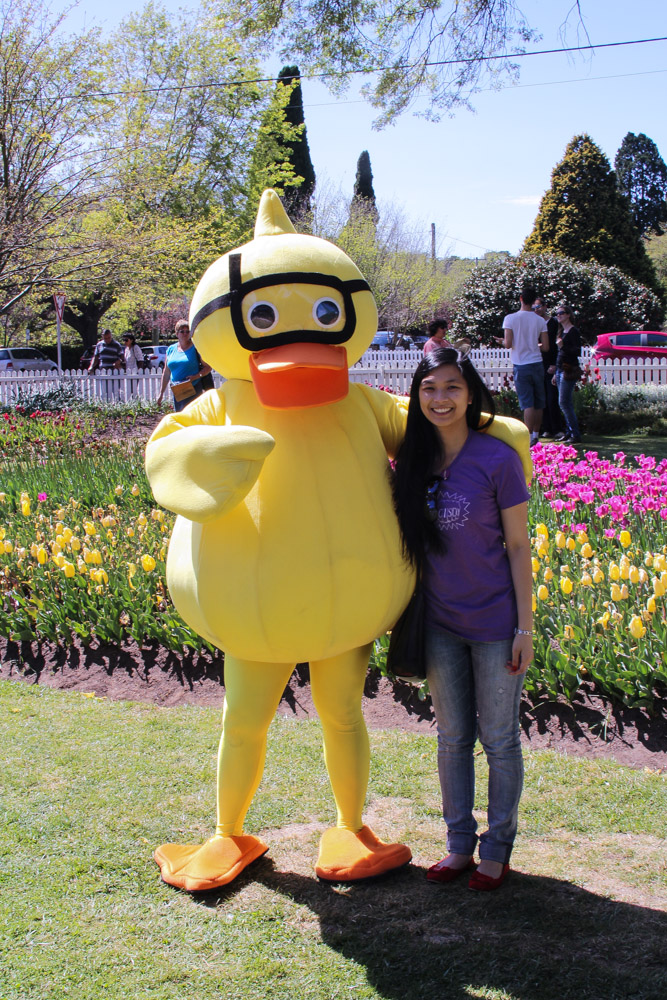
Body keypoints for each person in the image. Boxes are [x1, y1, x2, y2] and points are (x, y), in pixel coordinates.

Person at [392, 347, 533, 891]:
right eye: (429, 389)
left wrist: (525, 627)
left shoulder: (495, 459)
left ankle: (497, 848)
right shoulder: (412, 462)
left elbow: (518, 546)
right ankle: (458, 846)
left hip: (497, 624)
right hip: (439, 624)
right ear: (417, 397)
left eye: (451, 387)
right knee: (452, 738)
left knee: (498, 739)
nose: (440, 398)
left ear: (470, 393)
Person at [498, 286, 549, 448]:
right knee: (539, 401)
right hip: (537, 362)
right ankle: (536, 435)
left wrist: (501, 342)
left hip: (521, 364)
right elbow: (546, 347)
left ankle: (527, 437)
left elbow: (508, 344)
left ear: (521, 298)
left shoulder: (510, 318)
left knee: (527, 402)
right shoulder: (540, 320)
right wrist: (533, 345)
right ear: (534, 301)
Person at [156, 319, 213, 412]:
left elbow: (208, 367)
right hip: (178, 391)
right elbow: (166, 373)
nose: (185, 334)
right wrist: (161, 393)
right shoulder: (170, 349)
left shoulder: (196, 348)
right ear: (177, 333)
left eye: (187, 331)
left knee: (192, 417)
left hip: (193, 388)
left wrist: (196, 377)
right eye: (182, 331)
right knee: (180, 416)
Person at [533, 297, 563, 438]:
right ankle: (546, 429)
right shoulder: (534, 323)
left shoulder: (554, 323)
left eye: (538, 306)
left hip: (551, 364)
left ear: (545, 307)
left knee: (552, 399)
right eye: (533, 307)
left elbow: (555, 346)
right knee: (541, 398)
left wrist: (554, 364)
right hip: (538, 363)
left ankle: (557, 429)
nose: (536, 309)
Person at [553, 304, 582, 444]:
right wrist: (555, 373)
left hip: (569, 370)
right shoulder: (561, 332)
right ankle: (569, 432)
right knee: (563, 403)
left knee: (564, 402)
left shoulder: (573, 332)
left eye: (562, 313)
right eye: (557, 313)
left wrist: (563, 346)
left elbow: (577, 351)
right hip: (560, 370)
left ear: (568, 315)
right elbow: (560, 353)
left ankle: (575, 434)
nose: (559, 315)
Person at [87, 328, 124, 401]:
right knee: (105, 391)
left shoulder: (116, 345)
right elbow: (96, 357)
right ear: (102, 337)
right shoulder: (99, 345)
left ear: (111, 336)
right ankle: (106, 405)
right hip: (103, 370)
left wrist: (119, 361)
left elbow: (122, 356)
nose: (107, 340)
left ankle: (118, 404)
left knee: (116, 391)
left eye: (109, 338)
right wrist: (91, 366)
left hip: (114, 371)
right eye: (105, 338)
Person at [122, 332, 147, 401]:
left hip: (135, 372)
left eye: (126, 340)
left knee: (134, 389)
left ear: (131, 340)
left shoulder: (135, 348)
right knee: (129, 390)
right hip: (128, 372)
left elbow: (140, 360)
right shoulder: (126, 349)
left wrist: (139, 371)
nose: (125, 342)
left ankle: (135, 401)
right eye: (123, 340)